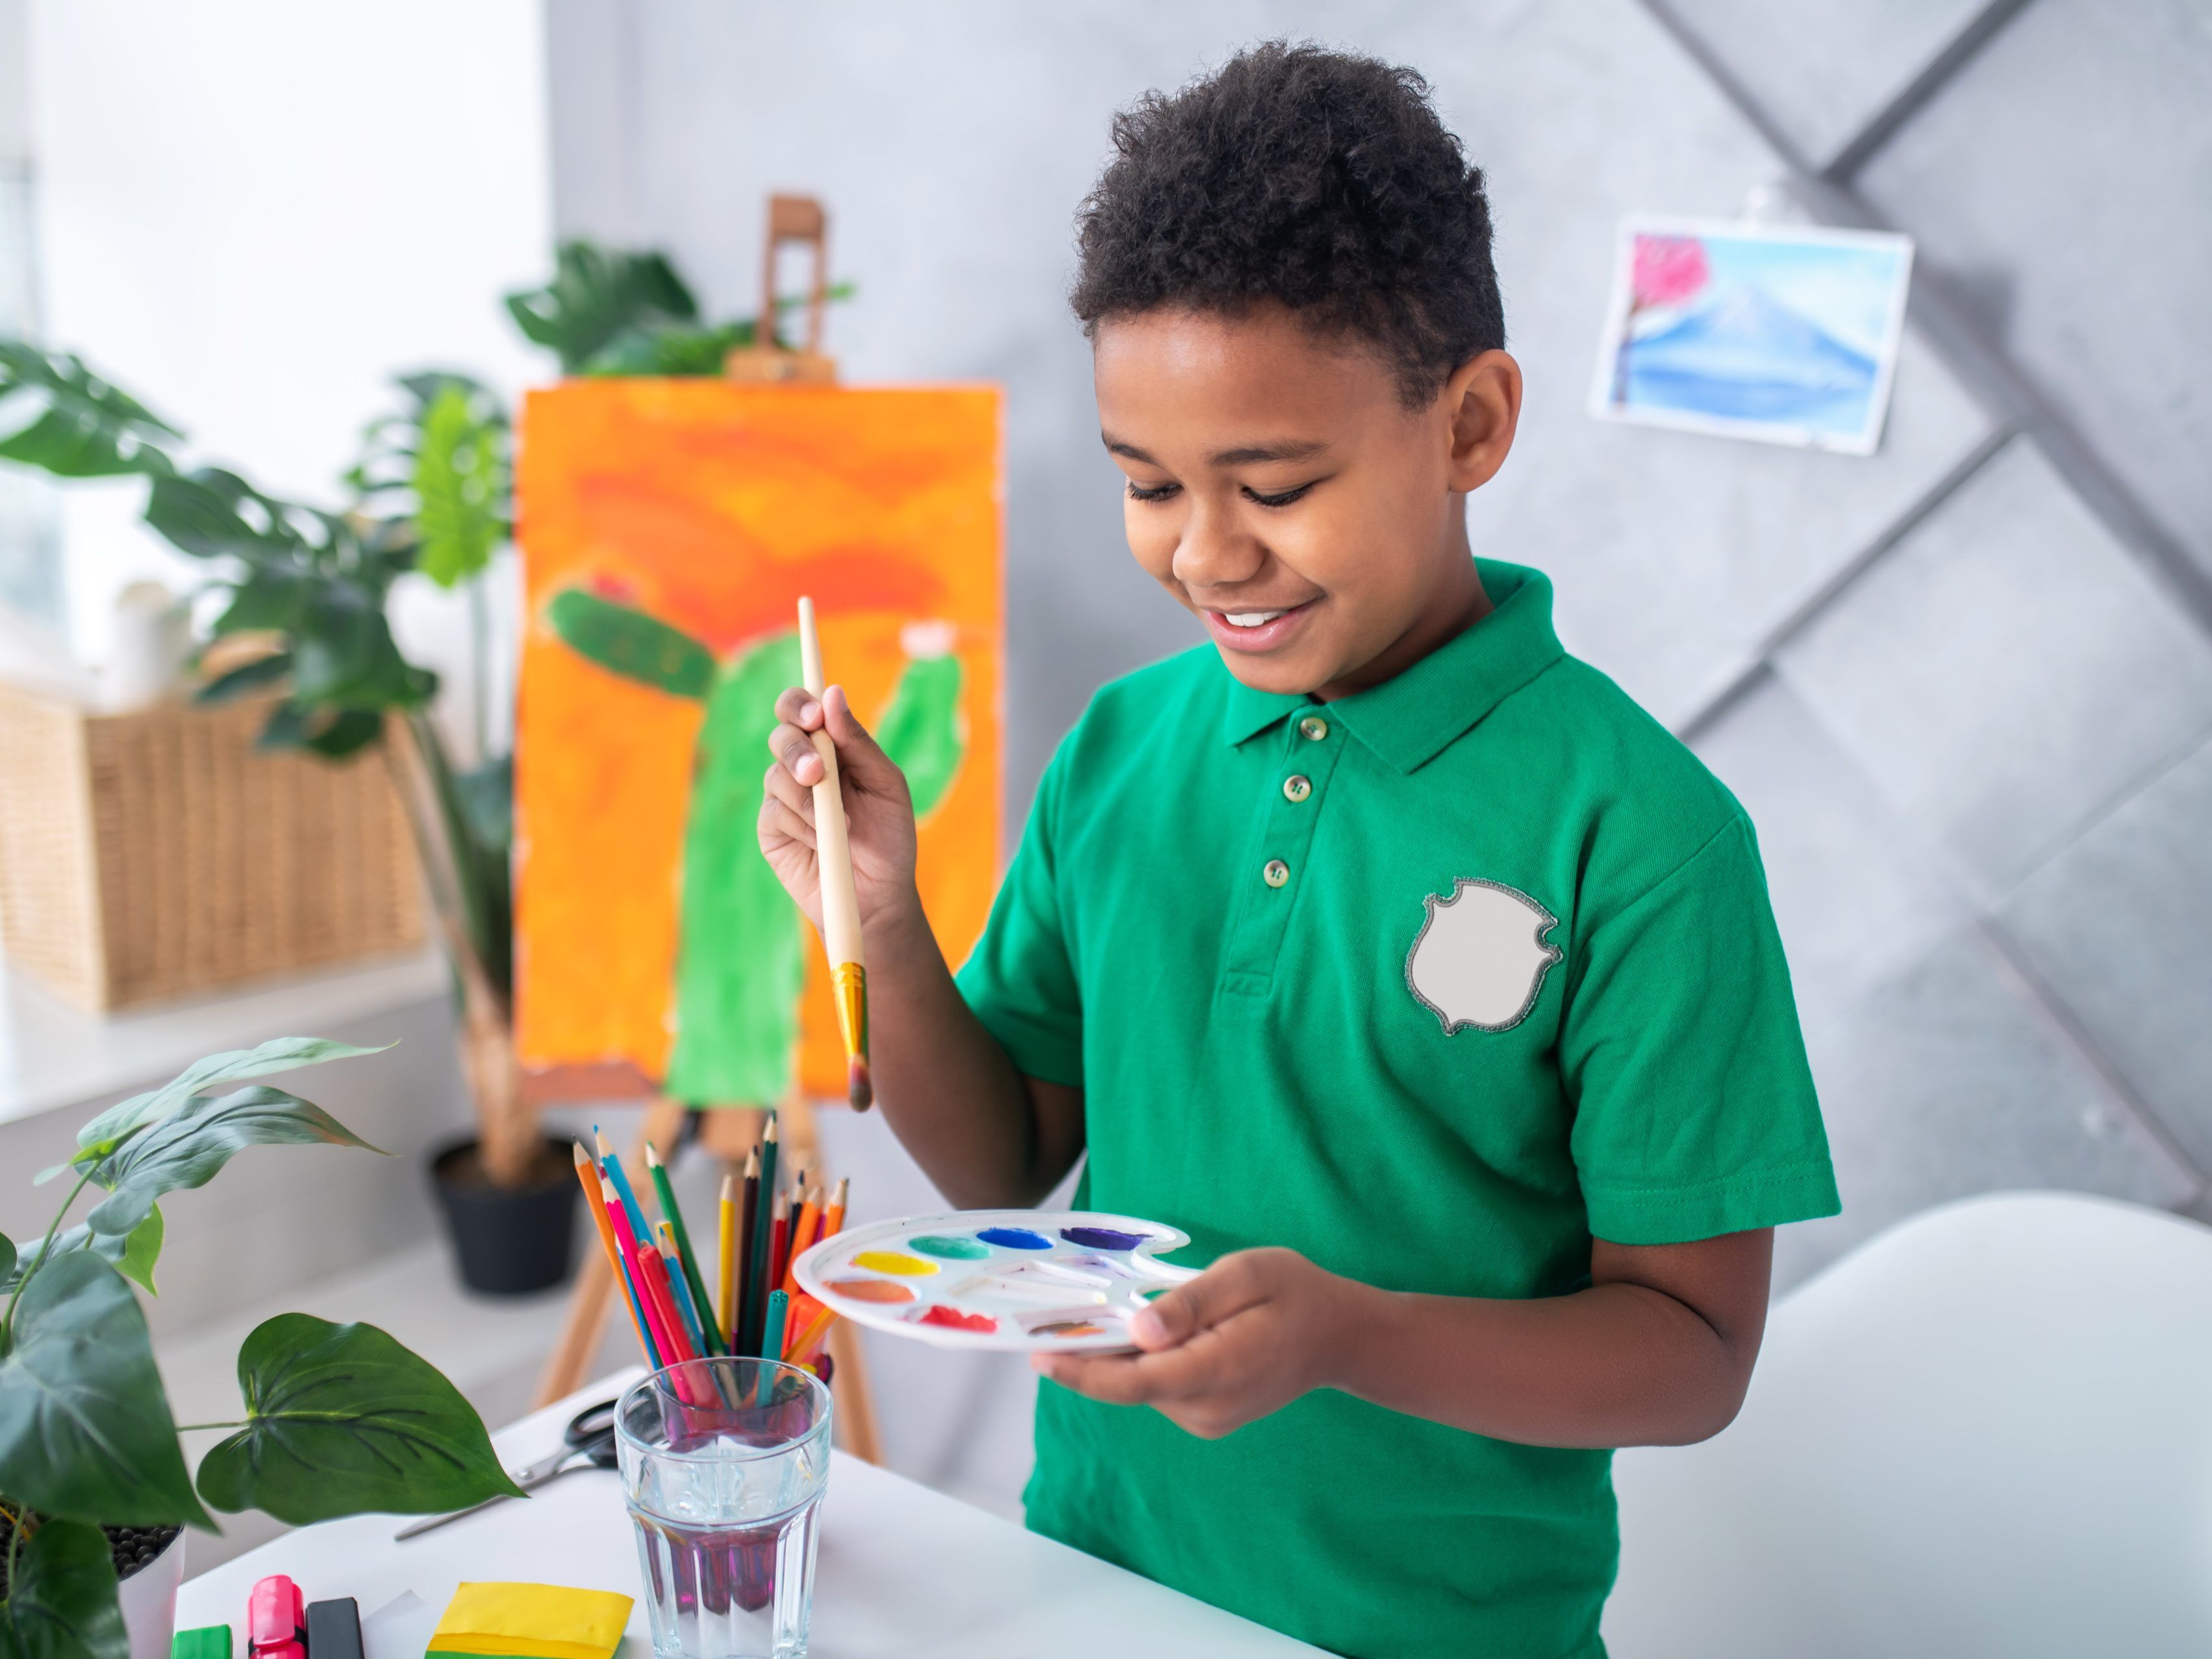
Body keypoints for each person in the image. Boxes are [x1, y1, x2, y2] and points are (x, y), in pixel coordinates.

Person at [757, 41, 1838, 1659]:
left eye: (1277, 485)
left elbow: (1693, 1354)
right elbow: (1000, 1165)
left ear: (1469, 424)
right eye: (1147, 485)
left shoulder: (1645, 836)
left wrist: (1347, 1337)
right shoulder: (1123, 751)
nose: (1206, 554)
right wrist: (884, 924)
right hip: (1093, 1585)